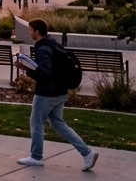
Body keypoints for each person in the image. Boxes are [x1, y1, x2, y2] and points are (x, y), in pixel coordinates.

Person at [17, 19, 98, 171]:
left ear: (37, 32)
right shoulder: (53, 44)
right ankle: (87, 153)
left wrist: (26, 69)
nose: (29, 33)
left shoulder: (42, 49)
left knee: (36, 123)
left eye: (30, 30)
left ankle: (36, 157)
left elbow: (45, 73)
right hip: (60, 91)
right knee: (58, 123)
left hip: (47, 93)